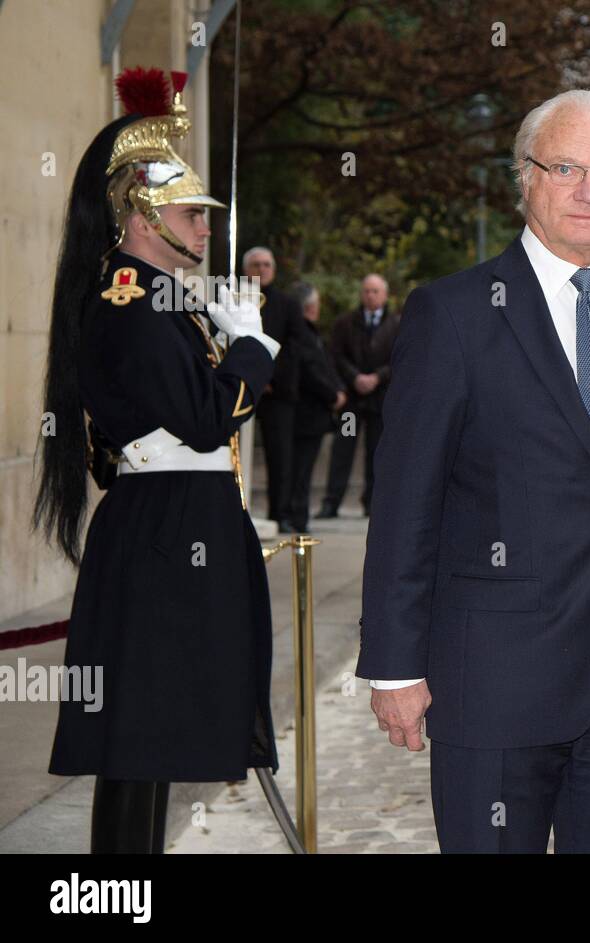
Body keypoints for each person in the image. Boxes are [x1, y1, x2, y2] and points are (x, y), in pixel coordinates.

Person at [357, 89, 590, 853]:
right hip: (492, 688)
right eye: (566, 166)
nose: (589, 190)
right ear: (524, 176)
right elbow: (406, 502)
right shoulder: (454, 313)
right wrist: (394, 664)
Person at [32, 68, 280, 853]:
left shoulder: (157, 297)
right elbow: (208, 420)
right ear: (141, 216)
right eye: (190, 215)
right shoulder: (133, 304)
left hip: (178, 522)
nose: (206, 229)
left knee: (156, 735)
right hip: (167, 530)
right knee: (138, 738)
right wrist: (251, 349)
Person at [242, 247, 314, 532]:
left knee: (281, 457)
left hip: (278, 391)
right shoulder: (232, 298)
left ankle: (280, 514)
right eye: (256, 264)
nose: (262, 269)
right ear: (246, 269)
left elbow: (296, 346)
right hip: (239, 386)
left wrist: (269, 377)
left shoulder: (287, 304)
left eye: (267, 264)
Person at [317, 274, 399, 518]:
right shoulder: (345, 323)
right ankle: (331, 502)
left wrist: (378, 377)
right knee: (343, 450)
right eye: (366, 291)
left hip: (380, 401)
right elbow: (335, 356)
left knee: (377, 452)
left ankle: (373, 503)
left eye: (375, 291)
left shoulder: (398, 324)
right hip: (352, 402)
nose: (370, 295)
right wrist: (355, 378)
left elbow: (401, 359)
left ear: (384, 295)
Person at [288, 284, 347, 532]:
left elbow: (324, 366)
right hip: (306, 413)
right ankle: (296, 517)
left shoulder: (310, 333)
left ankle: (296, 516)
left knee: (302, 470)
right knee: (300, 470)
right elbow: (311, 370)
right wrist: (333, 395)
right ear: (311, 306)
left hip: (312, 413)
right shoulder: (302, 333)